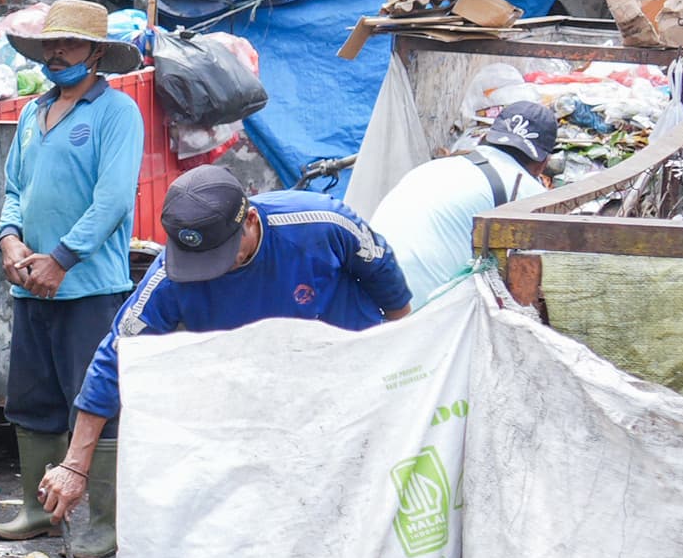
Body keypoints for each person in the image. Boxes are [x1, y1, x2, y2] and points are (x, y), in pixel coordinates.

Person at [41, 165, 414, 526]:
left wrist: (406, 361)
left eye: (220, 256)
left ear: (250, 220)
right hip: (259, 401)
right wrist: (75, 464)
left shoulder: (320, 223)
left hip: (347, 379)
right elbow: (117, 356)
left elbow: (386, 280)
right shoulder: (171, 278)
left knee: (355, 505)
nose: (211, 271)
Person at [0, 0, 145, 558]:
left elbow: (113, 201)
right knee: (33, 402)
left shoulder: (117, 113)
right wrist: (11, 243)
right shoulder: (33, 114)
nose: (56, 54)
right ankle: (38, 510)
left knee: (96, 400)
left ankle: (103, 522)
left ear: (96, 53)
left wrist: (62, 258)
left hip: (89, 287)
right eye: (51, 45)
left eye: (70, 45)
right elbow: (12, 192)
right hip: (29, 284)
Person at [367, 100, 559, 304]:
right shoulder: (529, 192)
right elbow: (553, 269)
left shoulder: (435, 168)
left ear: (484, 138)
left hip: (367, 296)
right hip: (417, 313)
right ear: (543, 163)